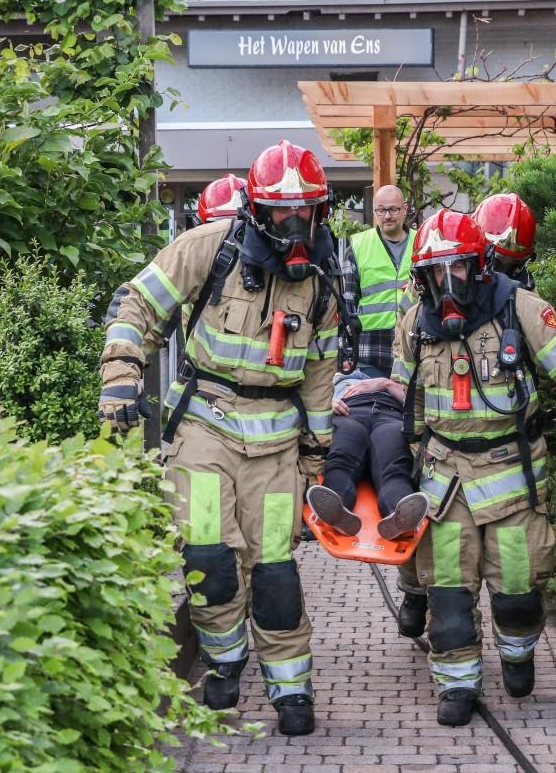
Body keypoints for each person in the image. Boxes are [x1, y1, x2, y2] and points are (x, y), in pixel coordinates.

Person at [98, 140, 341, 736]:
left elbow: (318, 376)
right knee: (210, 557)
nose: (294, 223)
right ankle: (224, 665)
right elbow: (136, 303)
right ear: (257, 209)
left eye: (304, 211)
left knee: (277, 571)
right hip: (206, 425)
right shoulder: (209, 248)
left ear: (319, 211)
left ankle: (291, 690)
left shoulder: (321, 284)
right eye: (282, 211)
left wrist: (317, 462)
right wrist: (122, 373)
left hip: (278, 443)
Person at [394, 209, 556, 727]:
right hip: (445, 483)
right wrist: (396, 464)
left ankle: (519, 651)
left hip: (510, 480)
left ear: (479, 266)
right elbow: (404, 400)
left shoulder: (519, 307)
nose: (447, 283)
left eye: (457, 269)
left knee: (518, 596)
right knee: (449, 599)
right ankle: (456, 687)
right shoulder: (415, 323)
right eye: (435, 273)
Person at [305, 184, 429, 543]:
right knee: (342, 458)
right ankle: (337, 506)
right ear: (374, 212)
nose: (387, 216)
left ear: (406, 210)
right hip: (368, 358)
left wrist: (389, 385)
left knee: (393, 465)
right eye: (380, 210)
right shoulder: (359, 246)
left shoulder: (423, 244)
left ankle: (401, 511)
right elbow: (344, 307)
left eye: (393, 209)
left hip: (405, 360)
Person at [472, 192, 537, 289]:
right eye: (497, 264)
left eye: (516, 265)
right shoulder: (454, 277)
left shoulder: (524, 285)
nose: (503, 275)